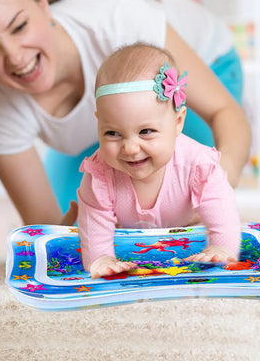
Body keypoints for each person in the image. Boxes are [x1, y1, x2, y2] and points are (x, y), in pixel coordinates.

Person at [0, 0, 251, 226]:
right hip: (107, 131)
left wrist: (219, 183)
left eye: (19, 27)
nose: (15, 57)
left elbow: (225, 112)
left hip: (202, 70)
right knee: (86, 216)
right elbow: (49, 231)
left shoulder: (116, 16)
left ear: (42, 2)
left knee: (169, 200)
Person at [78, 43, 241, 279]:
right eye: (112, 133)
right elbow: (93, 228)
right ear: (99, 123)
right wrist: (101, 258)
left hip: (187, 239)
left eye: (146, 131)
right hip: (132, 248)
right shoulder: (99, 174)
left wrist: (221, 248)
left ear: (178, 122)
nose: (130, 148)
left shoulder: (199, 165)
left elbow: (223, 213)